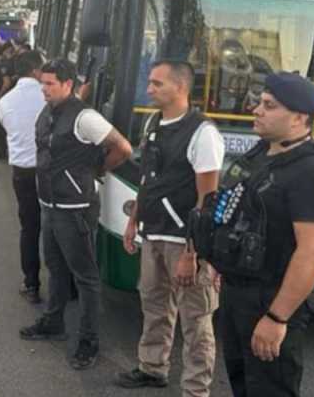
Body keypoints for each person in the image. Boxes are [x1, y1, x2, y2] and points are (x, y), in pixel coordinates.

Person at [197, 73, 314, 397]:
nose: (256, 110)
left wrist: (277, 318)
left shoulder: (312, 174)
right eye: (260, 102)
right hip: (239, 293)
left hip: (270, 298)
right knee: (242, 382)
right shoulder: (262, 156)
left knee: (269, 388)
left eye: (269, 105)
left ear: (299, 118)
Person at [117, 61, 224, 396]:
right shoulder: (155, 123)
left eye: (156, 83)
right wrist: (134, 221)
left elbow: (207, 201)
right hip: (153, 233)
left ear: (180, 87)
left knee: (195, 320)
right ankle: (152, 368)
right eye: (149, 82)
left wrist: (193, 253)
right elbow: (148, 181)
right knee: (154, 305)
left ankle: (195, 389)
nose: (149, 89)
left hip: (184, 243)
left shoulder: (203, 134)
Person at [19, 59, 133, 370]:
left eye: (50, 84)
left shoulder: (85, 118)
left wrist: (95, 170)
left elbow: (123, 148)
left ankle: (88, 340)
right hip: (50, 205)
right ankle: (54, 322)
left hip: (76, 210)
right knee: (55, 267)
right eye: (42, 83)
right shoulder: (50, 111)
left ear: (68, 85)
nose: (44, 89)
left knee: (85, 277)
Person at [0, 51, 47, 304]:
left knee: (29, 227)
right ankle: (66, 286)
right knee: (56, 227)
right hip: (49, 170)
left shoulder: (5, 102)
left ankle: (31, 284)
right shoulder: (49, 96)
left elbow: (9, 129)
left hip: (22, 172)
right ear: (37, 71)